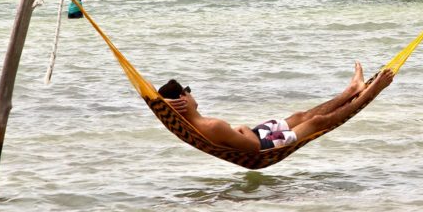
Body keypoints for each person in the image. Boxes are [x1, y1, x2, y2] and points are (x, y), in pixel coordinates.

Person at [157, 62, 394, 152]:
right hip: (261, 146)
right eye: (187, 90)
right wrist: (241, 128)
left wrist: (167, 102)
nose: (191, 92)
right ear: (183, 98)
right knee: (315, 123)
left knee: (300, 115)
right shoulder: (212, 125)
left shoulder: (181, 120)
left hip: (251, 134)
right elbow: (251, 148)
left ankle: (352, 90)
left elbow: (152, 100)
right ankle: (372, 91)